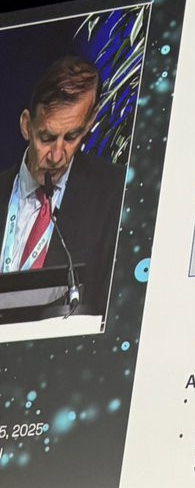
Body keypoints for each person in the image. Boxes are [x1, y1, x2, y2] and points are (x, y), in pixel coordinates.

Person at [0, 56, 123, 322]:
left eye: (71, 137)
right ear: (26, 125)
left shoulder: (116, 194)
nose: (57, 156)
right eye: (47, 138)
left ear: (89, 123)